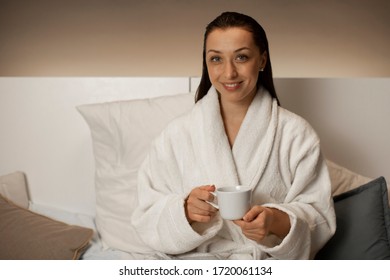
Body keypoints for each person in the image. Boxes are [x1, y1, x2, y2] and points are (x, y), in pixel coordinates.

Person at [132, 11, 336, 259]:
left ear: (261, 60)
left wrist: (274, 221)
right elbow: (146, 215)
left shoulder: (296, 134)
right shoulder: (176, 134)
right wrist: (184, 211)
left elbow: (320, 218)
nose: (228, 73)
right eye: (216, 59)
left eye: (241, 57)